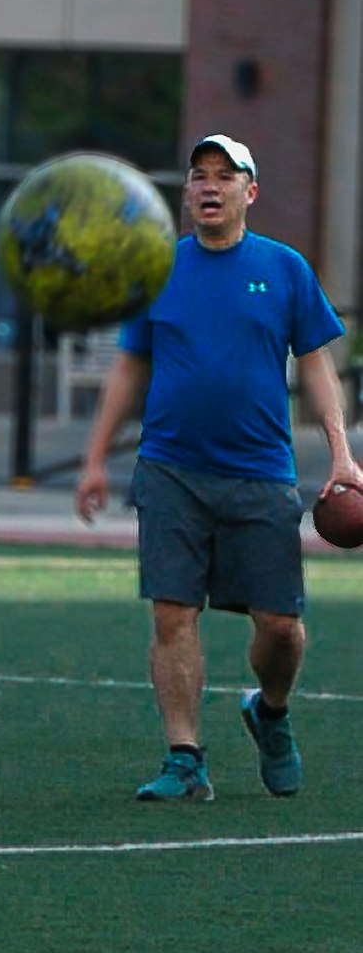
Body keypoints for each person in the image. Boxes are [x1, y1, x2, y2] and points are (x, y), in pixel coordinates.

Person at [76, 133, 363, 802]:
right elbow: (129, 368)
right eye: (197, 176)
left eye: (223, 176)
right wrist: (93, 460)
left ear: (248, 192)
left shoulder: (284, 267)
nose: (207, 186)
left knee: (280, 628)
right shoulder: (157, 269)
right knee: (171, 613)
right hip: (170, 468)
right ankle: (184, 757)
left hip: (261, 473)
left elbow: (317, 368)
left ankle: (268, 710)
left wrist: (342, 455)